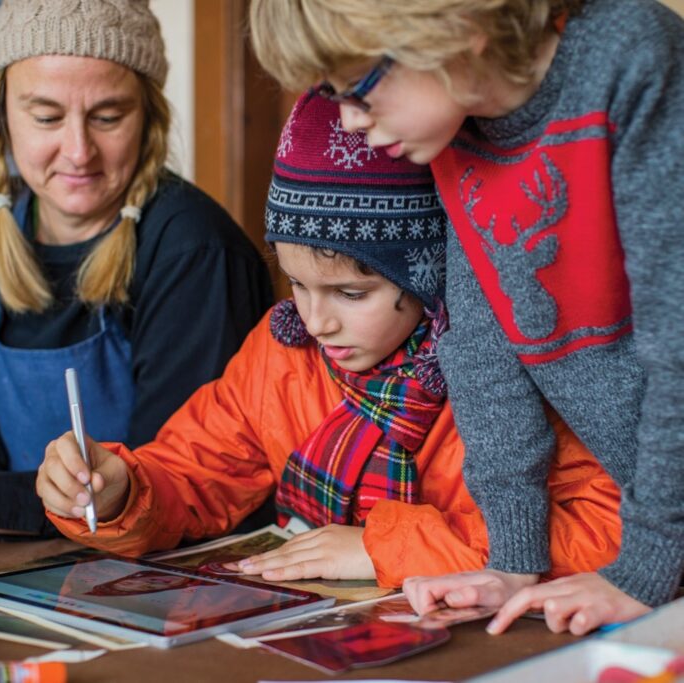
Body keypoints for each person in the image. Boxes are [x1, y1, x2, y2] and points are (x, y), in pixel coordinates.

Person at [35, 92, 621, 589]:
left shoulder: (512, 369)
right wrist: (118, 494)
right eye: (297, 284)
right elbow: (193, 475)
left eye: (351, 293)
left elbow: (610, 529)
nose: (316, 322)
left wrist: (381, 549)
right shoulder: (281, 353)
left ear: (427, 275)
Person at [248, 0, 684, 634]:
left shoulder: (630, 54)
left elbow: (678, 343)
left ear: (451, 24)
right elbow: (481, 351)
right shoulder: (459, 129)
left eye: (359, 87)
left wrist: (645, 567)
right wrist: (513, 560)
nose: (349, 121)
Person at [0, 0, 273, 538]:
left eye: (108, 117)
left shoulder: (195, 250)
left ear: (149, 119)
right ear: (1, 118)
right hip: (11, 565)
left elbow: (176, 483)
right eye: (46, 116)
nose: (78, 151)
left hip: (169, 579)